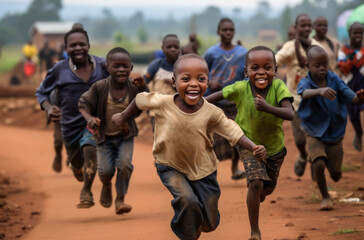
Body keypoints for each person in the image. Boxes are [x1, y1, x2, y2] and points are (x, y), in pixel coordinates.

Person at [111, 54, 266, 240]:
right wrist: (123, 116)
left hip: (204, 170)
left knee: (209, 223)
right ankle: (187, 232)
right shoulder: (163, 102)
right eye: (186, 79)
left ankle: (196, 225)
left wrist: (253, 146)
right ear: (174, 82)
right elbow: (140, 99)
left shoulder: (212, 112)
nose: (194, 84)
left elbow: (233, 131)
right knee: (187, 200)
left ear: (207, 83)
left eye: (201, 79)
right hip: (170, 165)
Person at [206, 46, 294, 240]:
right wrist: (200, 104)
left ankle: (262, 191)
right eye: (255, 68)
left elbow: (290, 114)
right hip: (247, 143)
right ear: (246, 72)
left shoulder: (279, 87)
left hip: (274, 149)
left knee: (266, 188)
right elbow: (219, 95)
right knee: (255, 183)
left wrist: (267, 107)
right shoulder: (240, 88)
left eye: (267, 67)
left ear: (275, 70)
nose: (261, 72)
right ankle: (255, 231)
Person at [36, 27, 109, 208]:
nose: (78, 48)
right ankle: (76, 168)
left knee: (90, 149)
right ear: (66, 48)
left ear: (88, 46)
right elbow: (41, 93)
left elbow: (121, 80)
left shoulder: (102, 66)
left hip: (93, 123)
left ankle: (86, 191)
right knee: (77, 164)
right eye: (73, 45)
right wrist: (49, 107)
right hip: (69, 127)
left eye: (81, 44)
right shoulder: (59, 70)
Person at [78, 47, 148, 214]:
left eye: (125, 66)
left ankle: (120, 199)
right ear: (107, 67)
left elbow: (147, 102)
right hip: (104, 138)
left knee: (124, 166)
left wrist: (143, 88)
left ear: (131, 68)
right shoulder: (100, 87)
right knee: (105, 170)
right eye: (116, 66)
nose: (121, 70)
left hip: (125, 135)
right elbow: (83, 104)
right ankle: (107, 184)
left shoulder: (133, 86)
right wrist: (90, 119)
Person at [297, 45, 364, 210]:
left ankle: (327, 165)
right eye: (317, 65)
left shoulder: (335, 80)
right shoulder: (306, 81)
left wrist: (360, 97)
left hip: (335, 132)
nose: (321, 68)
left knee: (336, 174)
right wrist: (319, 91)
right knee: (319, 164)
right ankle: (325, 196)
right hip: (313, 131)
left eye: (324, 64)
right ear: (308, 66)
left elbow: (352, 99)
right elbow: (304, 93)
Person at [276, 13, 322, 178]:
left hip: (315, 100)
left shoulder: (316, 46)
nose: (307, 28)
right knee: (300, 140)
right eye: (303, 26)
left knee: (315, 137)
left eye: (309, 25)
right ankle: (303, 155)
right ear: (296, 28)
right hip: (295, 101)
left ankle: (315, 163)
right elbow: (274, 61)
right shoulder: (288, 47)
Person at [203, 17, 248, 180]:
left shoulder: (243, 53)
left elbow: (248, 76)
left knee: (237, 135)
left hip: (235, 102)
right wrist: (209, 82)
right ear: (218, 32)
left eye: (231, 30)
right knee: (212, 138)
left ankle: (235, 168)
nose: (228, 32)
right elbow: (201, 72)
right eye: (224, 30)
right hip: (214, 102)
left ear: (234, 31)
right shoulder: (211, 53)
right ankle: (209, 171)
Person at [338, 22, 364, 152]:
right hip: (349, 88)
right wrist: (351, 57)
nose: (358, 35)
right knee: (353, 116)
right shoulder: (344, 51)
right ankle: (359, 133)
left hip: (363, 86)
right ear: (349, 34)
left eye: (360, 33)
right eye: (355, 33)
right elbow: (343, 69)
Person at [143, 34, 180, 127]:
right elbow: (145, 80)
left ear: (180, 49)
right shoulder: (156, 65)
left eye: (176, 47)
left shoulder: (182, 66)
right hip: (157, 111)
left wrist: (174, 84)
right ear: (163, 48)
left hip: (177, 112)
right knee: (159, 139)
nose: (173, 49)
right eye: (169, 47)